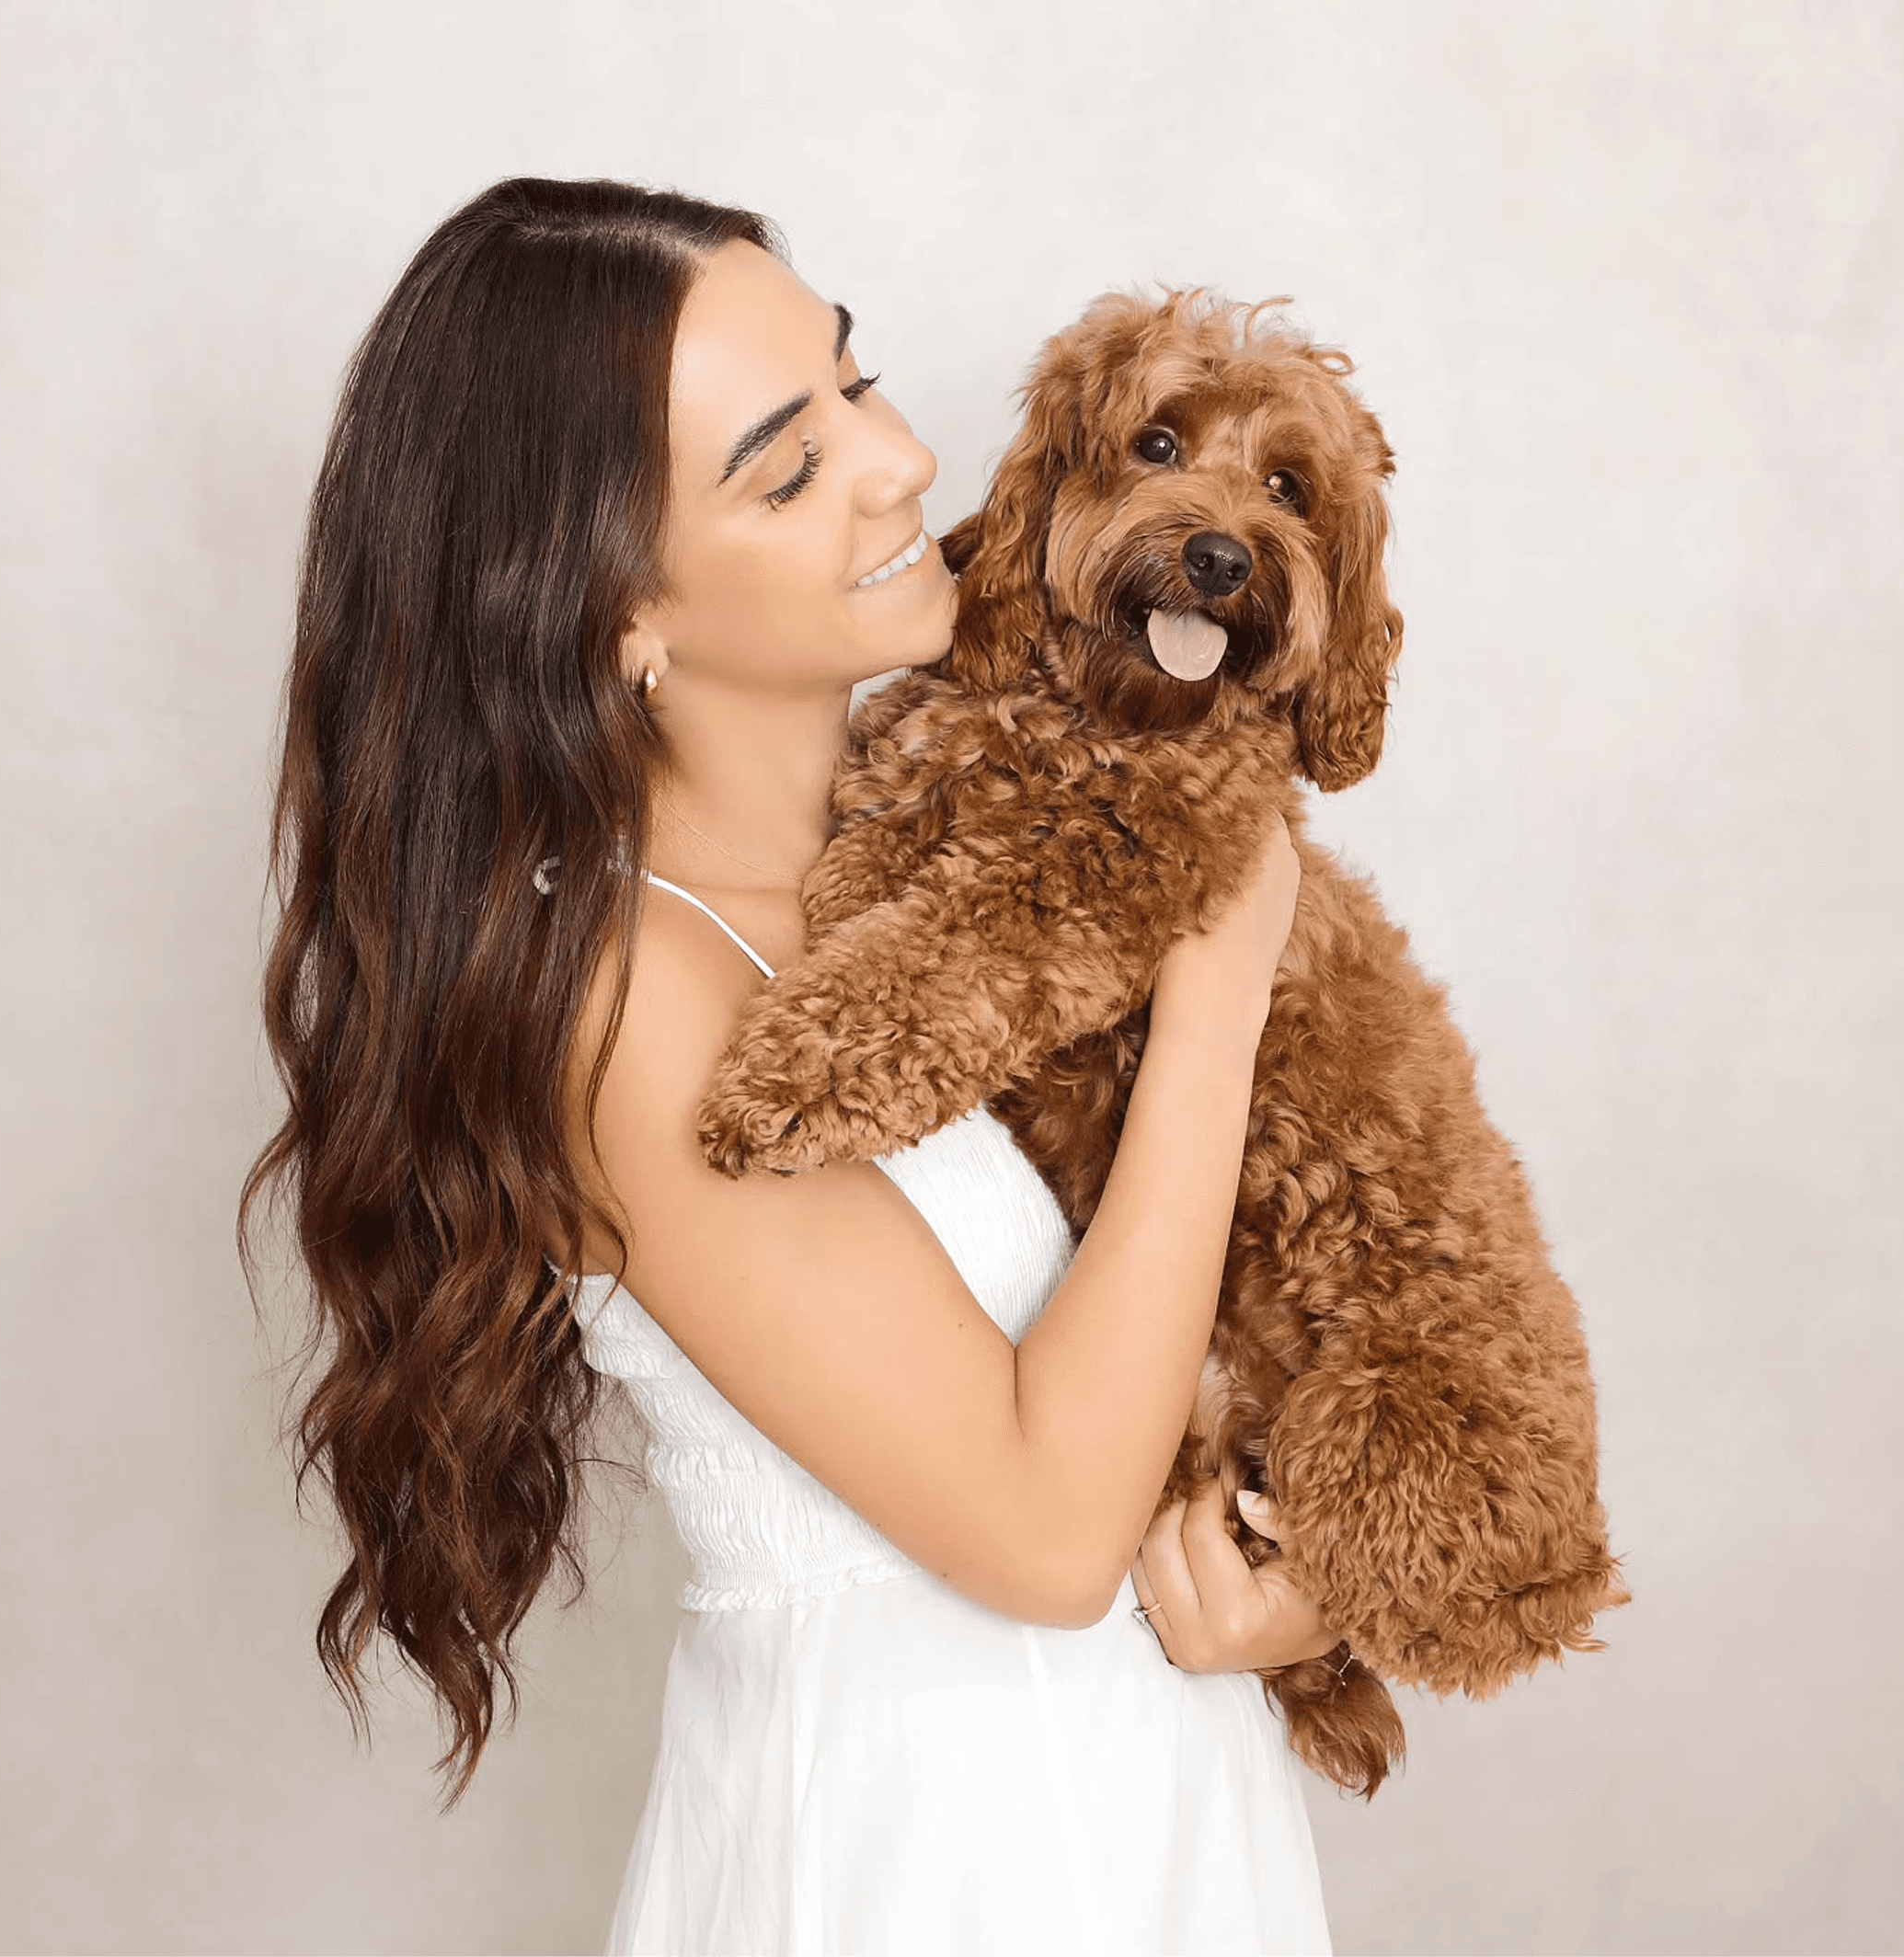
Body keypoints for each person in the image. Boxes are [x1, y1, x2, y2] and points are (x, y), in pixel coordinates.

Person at [245, 176, 1336, 1957]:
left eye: (854, 378)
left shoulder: (953, 839)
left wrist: (1308, 1575)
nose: (900, 459)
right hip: (936, 1855)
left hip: (1151, 1802)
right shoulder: (621, 997)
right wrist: (1217, 964)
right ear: (615, 615)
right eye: (785, 466)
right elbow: (1049, 1528)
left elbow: (1179, 1340)